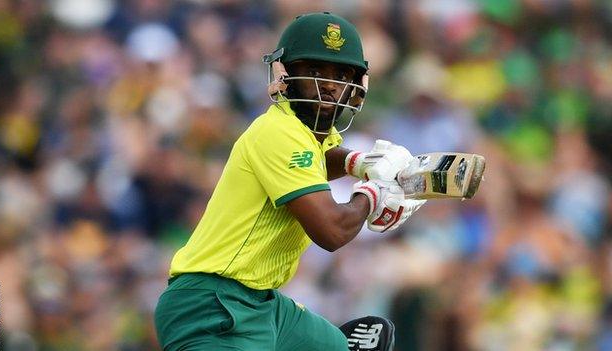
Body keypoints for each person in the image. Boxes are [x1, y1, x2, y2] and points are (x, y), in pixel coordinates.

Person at [154, 12, 425, 351]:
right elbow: (332, 231)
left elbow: (321, 158)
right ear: (285, 75)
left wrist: (362, 163)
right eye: (314, 71)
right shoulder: (278, 131)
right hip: (211, 306)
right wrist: (374, 192)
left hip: (264, 305)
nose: (328, 84)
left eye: (341, 74)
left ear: (357, 87)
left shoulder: (309, 139)